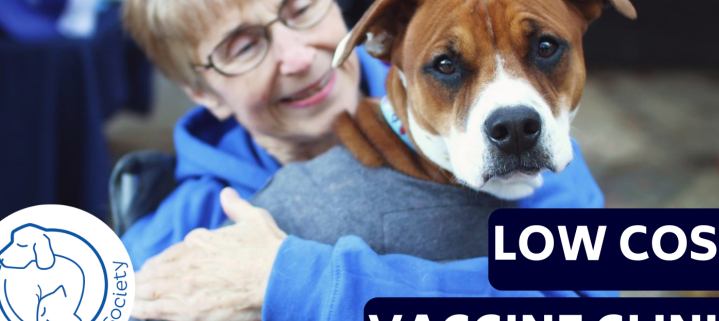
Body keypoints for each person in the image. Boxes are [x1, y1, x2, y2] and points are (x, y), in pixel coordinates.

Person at [121, 0, 613, 319]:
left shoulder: (531, 149)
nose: (296, 56)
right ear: (204, 93)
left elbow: (580, 304)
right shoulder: (186, 219)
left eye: (300, 10)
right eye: (244, 46)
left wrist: (295, 279)